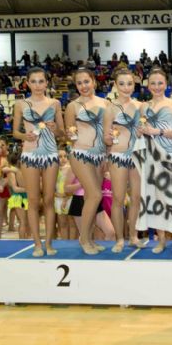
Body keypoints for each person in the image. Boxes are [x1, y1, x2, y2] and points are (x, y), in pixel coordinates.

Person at [12, 67, 64, 257]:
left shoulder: (55, 103)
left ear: (46, 83)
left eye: (41, 81)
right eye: (33, 81)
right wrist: (24, 135)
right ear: (27, 83)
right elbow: (15, 132)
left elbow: (63, 133)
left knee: (49, 200)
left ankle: (49, 243)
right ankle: (37, 244)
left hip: (50, 155)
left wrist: (55, 127)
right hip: (29, 155)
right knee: (33, 201)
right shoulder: (20, 104)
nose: (37, 85)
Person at [136, 68, 172, 253]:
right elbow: (141, 128)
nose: (156, 87)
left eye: (160, 83)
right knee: (156, 200)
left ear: (166, 84)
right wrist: (141, 131)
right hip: (152, 156)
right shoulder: (143, 106)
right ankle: (161, 239)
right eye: (153, 83)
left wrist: (158, 132)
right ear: (147, 85)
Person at [65, 68, 109, 255]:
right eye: (79, 83)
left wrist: (106, 155)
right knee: (94, 195)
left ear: (94, 82)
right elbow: (70, 135)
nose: (83, 86)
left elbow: (109, 134)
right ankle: (83, 238)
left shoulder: (106, 104)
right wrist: (70, 135)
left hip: (100, 155)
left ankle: (89, 237)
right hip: (81, 153)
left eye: (86, 81)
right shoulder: (72, 106)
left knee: (90, 197)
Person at [103, 68, 145, 253]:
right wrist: (110, 138)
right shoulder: (110, 108)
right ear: (115, 85)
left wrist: (143, 132)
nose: (126, 88)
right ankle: (120, 239)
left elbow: (147, 130)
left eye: (129, 84)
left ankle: (133, 236)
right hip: (118, 156)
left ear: (134, 85)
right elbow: (105, 137)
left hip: (137, 156)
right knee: (118, 199)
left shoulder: (140, 106)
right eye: (122, 84)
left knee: (136, 198)